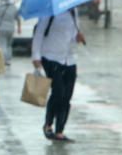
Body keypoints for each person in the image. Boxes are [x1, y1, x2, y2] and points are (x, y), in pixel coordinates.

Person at [31, 8, 85, 142]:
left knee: (67, 96)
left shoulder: (74, 11)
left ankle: (60, 130)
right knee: (58, 92)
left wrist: (77, 37)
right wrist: (36, 57)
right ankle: (48, 124)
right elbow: (39, 33)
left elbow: (72, 33)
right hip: (51, 57)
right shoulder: (49, 11)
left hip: (70, 59)